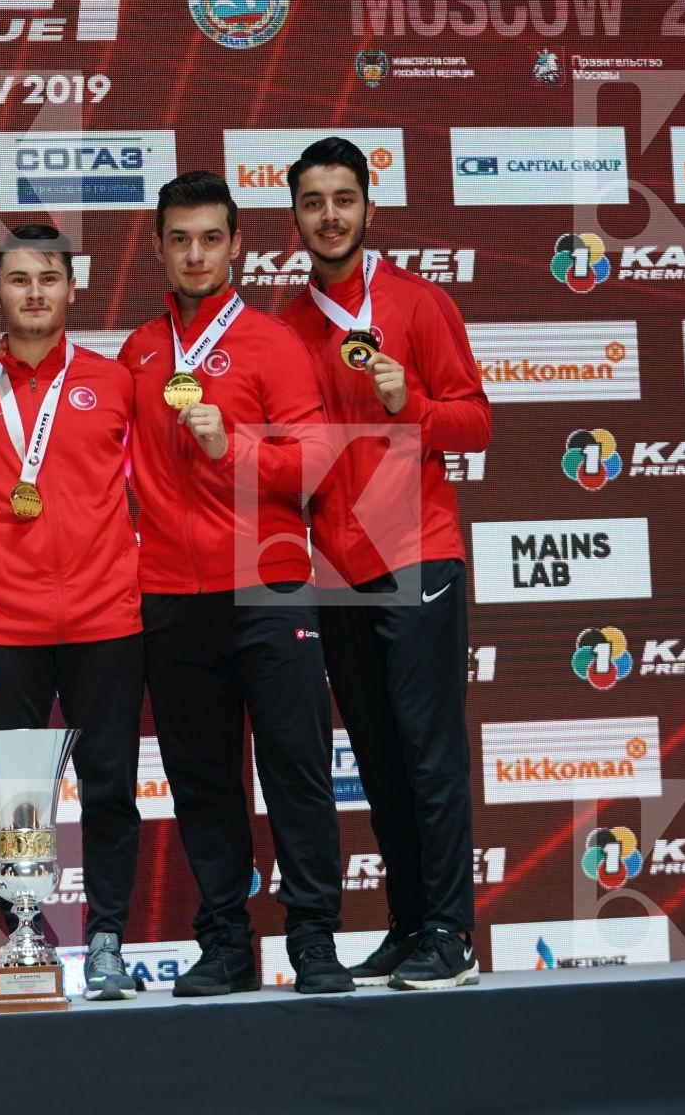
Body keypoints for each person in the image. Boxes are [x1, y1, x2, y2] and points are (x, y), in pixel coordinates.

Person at [116, 171, 352, 996]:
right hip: (172, 597)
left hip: (269, 586)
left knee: (295, 769)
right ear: (157, 248)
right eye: (179, 239)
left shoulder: (272, 344)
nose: (194, 254)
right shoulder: (140, 351)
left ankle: (315, 940)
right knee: (203, 781)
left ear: (237, 244)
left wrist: (235, 448)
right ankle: (224, 941)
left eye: (210, 237)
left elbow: (319, 463)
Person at [278, 136, 491, 990]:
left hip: (416, 551)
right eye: (312, 202)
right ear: (294, 216)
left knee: (429, 751)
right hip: (335, 565)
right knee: (376, 753)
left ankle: (453, 933)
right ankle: (411, 924)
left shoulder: (418, 303)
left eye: (342, 198)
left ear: (369, 206)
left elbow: (477, 424)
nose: (329, 215)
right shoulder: (286, 325)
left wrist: (417, 404)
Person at [0, 223, 144, 1000]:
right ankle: (26, 944)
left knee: (110, 788)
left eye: (48, 279)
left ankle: (108, 940)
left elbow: (150, 483)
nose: (34, 293)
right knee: (15, 802)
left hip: (107, 620)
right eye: (19, 279)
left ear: (70, 287)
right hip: (3, 625)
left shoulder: (112, 381)